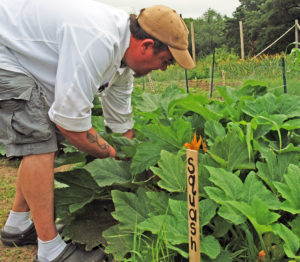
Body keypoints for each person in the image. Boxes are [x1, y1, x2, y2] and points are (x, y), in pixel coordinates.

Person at [0, 0, 195, 261]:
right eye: (166, 61)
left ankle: (17, 225)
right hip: (7, 53)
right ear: (147, 46)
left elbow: (121, 123)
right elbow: (71, 125)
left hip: (24, 56)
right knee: (39, 144)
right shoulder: (98, 40)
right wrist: (108, 152)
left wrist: (133, 164)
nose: (163, 69)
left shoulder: (124, 65)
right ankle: (50, 252)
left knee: (43, 141)